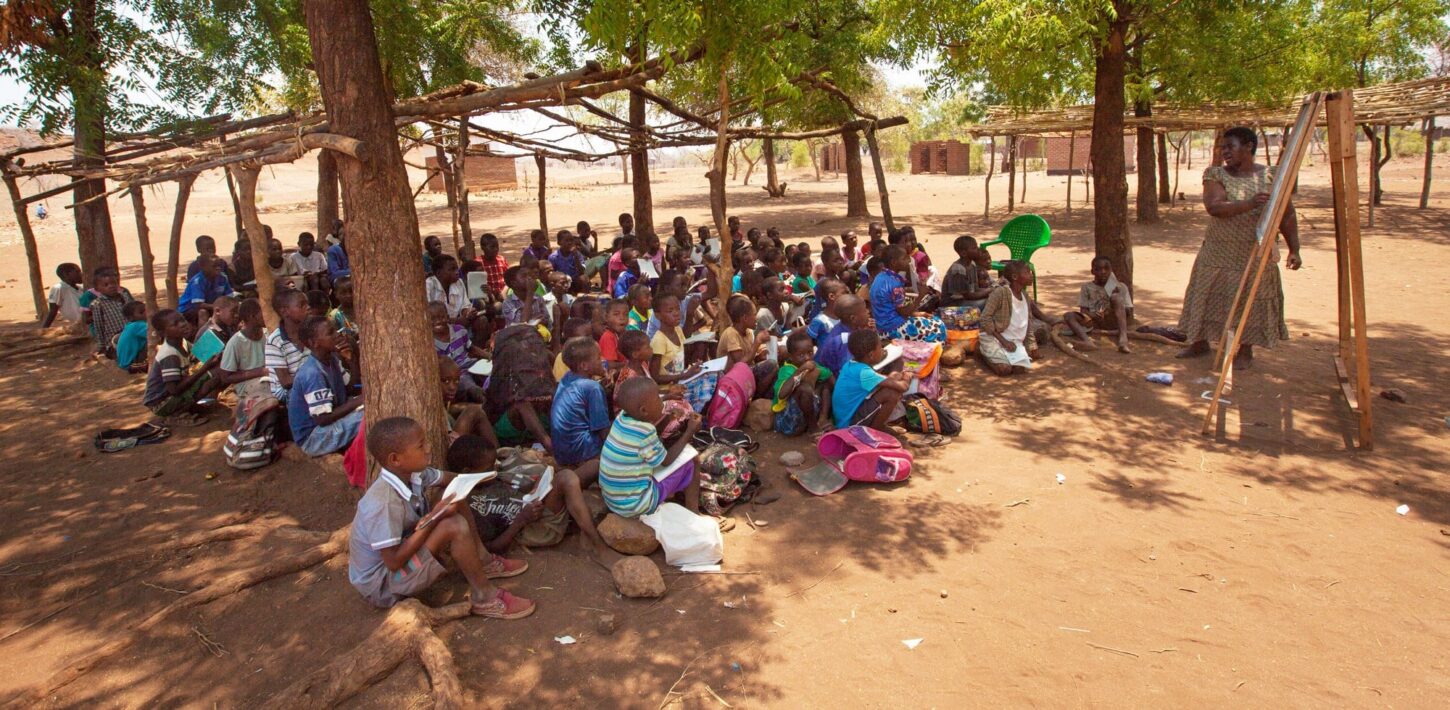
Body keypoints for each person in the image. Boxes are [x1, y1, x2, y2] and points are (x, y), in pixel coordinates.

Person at [347, 416, 534, 617]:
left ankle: (483, 560)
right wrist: (435, 517)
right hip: (383, 583)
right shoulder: (383, 502)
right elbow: (393, 561)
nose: (428, 448)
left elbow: (452, 479)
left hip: (400, 556)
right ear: (395, 459)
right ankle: (484, 596)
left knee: (453, 493)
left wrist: (486, 477)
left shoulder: (413, 474)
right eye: (421, 445)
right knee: (453, 525)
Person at [1176, 126, 1300, 370]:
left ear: (1249, 146)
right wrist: (1249, 203)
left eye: (1230, 146)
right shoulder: (1216, 175)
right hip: (1218, 251)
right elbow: (1215, 207)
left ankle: (1245, 349)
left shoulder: (1271, 176)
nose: (1225, 152)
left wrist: (1294, 249)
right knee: (1207, 293)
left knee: (1249, 299)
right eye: (1222, 147)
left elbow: (1287, 215)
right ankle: (1199, 342)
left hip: (1253, 252)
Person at [448, 436, 618, 564]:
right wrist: (521, 520)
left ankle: (611, 514)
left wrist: (536, 485)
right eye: (488, 468)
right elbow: (491, 548)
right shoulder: (471, 505)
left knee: (594, 466)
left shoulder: (490, 479)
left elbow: (518, 489)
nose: (494, 471)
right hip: (532, 527)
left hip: (535, 504)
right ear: (467, 471)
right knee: (566, 478)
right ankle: (598, 547)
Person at [600, 377, 703, 517]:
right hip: (636, 505)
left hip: (613, 500)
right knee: (692, 460)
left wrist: (667, 418)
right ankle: (694, 512)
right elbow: (666, 461)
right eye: (658, 400)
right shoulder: (645, 432)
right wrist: (689, 431)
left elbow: (650, 441)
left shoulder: (621, 419)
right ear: (643, 411)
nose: (663, 403)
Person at [288, 316, 363, 456]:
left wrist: (352, 360)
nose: (338, 334)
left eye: (335, 330)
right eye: (330, 333)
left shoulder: (332, 359)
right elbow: (322, 419)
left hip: (326, 427)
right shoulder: (313, 373)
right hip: (313, 438)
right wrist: (358, 401)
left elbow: (354, 388)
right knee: (366, 415)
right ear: (314, 343)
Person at [142, 308, 220, 423]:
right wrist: (205, 368)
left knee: (217, 364)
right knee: (215, 374)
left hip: (171, 395)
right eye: (175, 324)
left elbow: (198, 356)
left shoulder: (182, 342)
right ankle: (178, 412)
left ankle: (188, 406)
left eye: (182, 320)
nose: (183, 324)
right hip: (161, 403)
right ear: (163, 332)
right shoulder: (169, 355)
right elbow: (174, 390)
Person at [550, 337, 612, 471]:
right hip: (583, 451)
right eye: (598, 357)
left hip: (562, 452)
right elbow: (603, 431)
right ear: (584, 366)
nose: (603, 360)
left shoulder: (567, 378)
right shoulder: (592, 388)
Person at [832, 329, 913, 429]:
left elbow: (885, 380)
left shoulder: (850, 365)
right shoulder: (865, 373)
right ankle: (874, 432)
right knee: (892, 394)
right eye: (880, 347)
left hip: (844, 418)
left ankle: (876, 427)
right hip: (849, 424)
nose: (883, 350)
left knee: (886, 386)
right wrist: (907, 377)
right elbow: (903, 387)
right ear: (871, 355)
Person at [978, 261, 1045, 376]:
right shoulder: (1000, 293)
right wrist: (1004, 341)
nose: (1031, 275)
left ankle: (996, 356)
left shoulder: (1025, 296)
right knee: (1004, 370)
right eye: (1027, 272)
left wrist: (1033, 348)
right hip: (995, 339)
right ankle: (982, 352)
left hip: (1014, 342)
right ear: (1015, 277)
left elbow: (1028, 324)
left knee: (1020, 370)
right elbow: (985, 318)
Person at [871, 245, 946, 343]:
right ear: (894, 262)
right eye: (905, 258)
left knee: (927, 319)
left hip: (882, 329)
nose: (909, 260)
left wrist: (917, 314)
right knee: (938, 325)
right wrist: (920, 296)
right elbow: (904, 312)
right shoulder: (894, 283)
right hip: (894, 329)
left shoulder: (880, 277)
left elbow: (893, 309)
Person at [1063, 255, 1135, 354]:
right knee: (1068, 315)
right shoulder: (1087, 287)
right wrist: (1094, 315)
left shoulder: (1121, 287)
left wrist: (1116, 297)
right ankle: (1087, 341)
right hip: (1094, 322)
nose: (1103, 272)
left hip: (1112, 320)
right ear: (1092, 271)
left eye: (1106, 268)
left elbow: (1128, 311)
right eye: (1098, 269)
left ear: (1111, 270)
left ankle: (1123, 339)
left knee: (1116, 298)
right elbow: (1083, 311)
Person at [772, 331, 833, 436]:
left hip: (805, 416)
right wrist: (799, 371)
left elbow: (829, 375)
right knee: (804, 388)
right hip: (787, 422)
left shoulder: (813, 366)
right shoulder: (786, 370)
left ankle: (822, 419)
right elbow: (782, 394)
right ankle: (813, 430)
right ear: (791, 357)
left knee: (825, 384)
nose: (807, 358)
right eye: (801, 355)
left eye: (810, 353)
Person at [218, 298, 270, 401]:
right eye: (263, 312)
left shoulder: (268, 334)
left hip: (268, 378)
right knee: (267, 395)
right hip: (247, 384)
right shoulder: (236, 342)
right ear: (252, 317)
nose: (268, 315)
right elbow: (225, 377)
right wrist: (260, 372)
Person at [264, 289, 312, 402]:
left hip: (310, 381)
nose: (308, 307)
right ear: (285, 312)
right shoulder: (275, 341)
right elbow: (285, 382)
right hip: (288, 390)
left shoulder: (311, 332)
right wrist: (316, 375)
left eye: (307, 303)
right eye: (302, 305)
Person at [81, 266, 135, 358]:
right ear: (97, 289)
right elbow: (99, 326)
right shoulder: (97, 304)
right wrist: (102, 345)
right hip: (113, 338)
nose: (111, 286)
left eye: (114, 283)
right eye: (106, 285)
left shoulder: (125, 297)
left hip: (131, 333)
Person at [816, 293, 868, 375]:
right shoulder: (845, 340)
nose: (868, 312)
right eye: (865, 310)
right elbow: (847, 371)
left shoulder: (847, 327)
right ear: (853, 318)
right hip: (833, 379)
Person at [940, 235, 993, 309]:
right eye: (974, 248)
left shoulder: (972, 264)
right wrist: (989, 291)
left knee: (995, 298)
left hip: (966, 300)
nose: (977, 249)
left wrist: (992, 290)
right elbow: (968, 296)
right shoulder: (958, 269)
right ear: (964, 253)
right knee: (991, 302)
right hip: (954, 305)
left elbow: (975, 289)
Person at [177, 254, 235, 319]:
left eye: (220, 265)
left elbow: (229, 296)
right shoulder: (198, 281)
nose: (218, 268)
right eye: (214, 266)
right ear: (203, 267)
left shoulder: (223, 278)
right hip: (189, 309)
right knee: (203, 312)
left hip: (211, 306)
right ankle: (203, 329)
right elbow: (198, 304)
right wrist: (218, 307)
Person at [500, 265, 551, 329]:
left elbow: (546, 319)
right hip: (519, 337)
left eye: (529, 275)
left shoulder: (537, 297)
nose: (529, 278)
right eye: (524, 276)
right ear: (514, 283)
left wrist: (539, 321)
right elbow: (522, 325)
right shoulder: (508, 303)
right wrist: (530, 293)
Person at [425, 254, 473, 322]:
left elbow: (465, 305)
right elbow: (429, 314)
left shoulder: (459, 283)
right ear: (439, 273)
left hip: (458, 323)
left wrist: (467, 313)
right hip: (437, 326)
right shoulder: (429, 285)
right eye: (452, 269)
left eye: (457, 269)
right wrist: (456, 321)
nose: (457, 272)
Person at [43, 262, 84, 330]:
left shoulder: (81, 289)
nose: (81, 274)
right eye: (77, 272)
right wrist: (44, 329)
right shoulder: (59, 288)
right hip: (81, 323)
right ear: (66, 274)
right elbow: (53, 311)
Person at [808, 278, 847, 343]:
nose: (847, 296)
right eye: (844, 293)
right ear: (832, 296)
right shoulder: (819, 321)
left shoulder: (844, 317)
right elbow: (809, 341)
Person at [114, 300, 149, 373]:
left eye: (146, 310)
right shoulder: (139, 325)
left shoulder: (131, 325)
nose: (146, 313)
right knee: (154, 341)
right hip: (131, 364)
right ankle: (143, 365)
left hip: (124, 362)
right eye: (141, 312)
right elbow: (155, 336)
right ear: (130, 318)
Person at [598, 298, 629, 367]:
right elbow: (609, 365)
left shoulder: (625, 334)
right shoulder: (608, 337)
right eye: (616, 314)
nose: (622, 318)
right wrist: (628, 364)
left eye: (625, 314)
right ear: (606, 317)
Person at [328, 276, 359, 342]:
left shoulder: (364, 311)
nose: (348, 295)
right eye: (343, 293)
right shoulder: (334, 315)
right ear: (336, 294)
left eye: (351, 291)